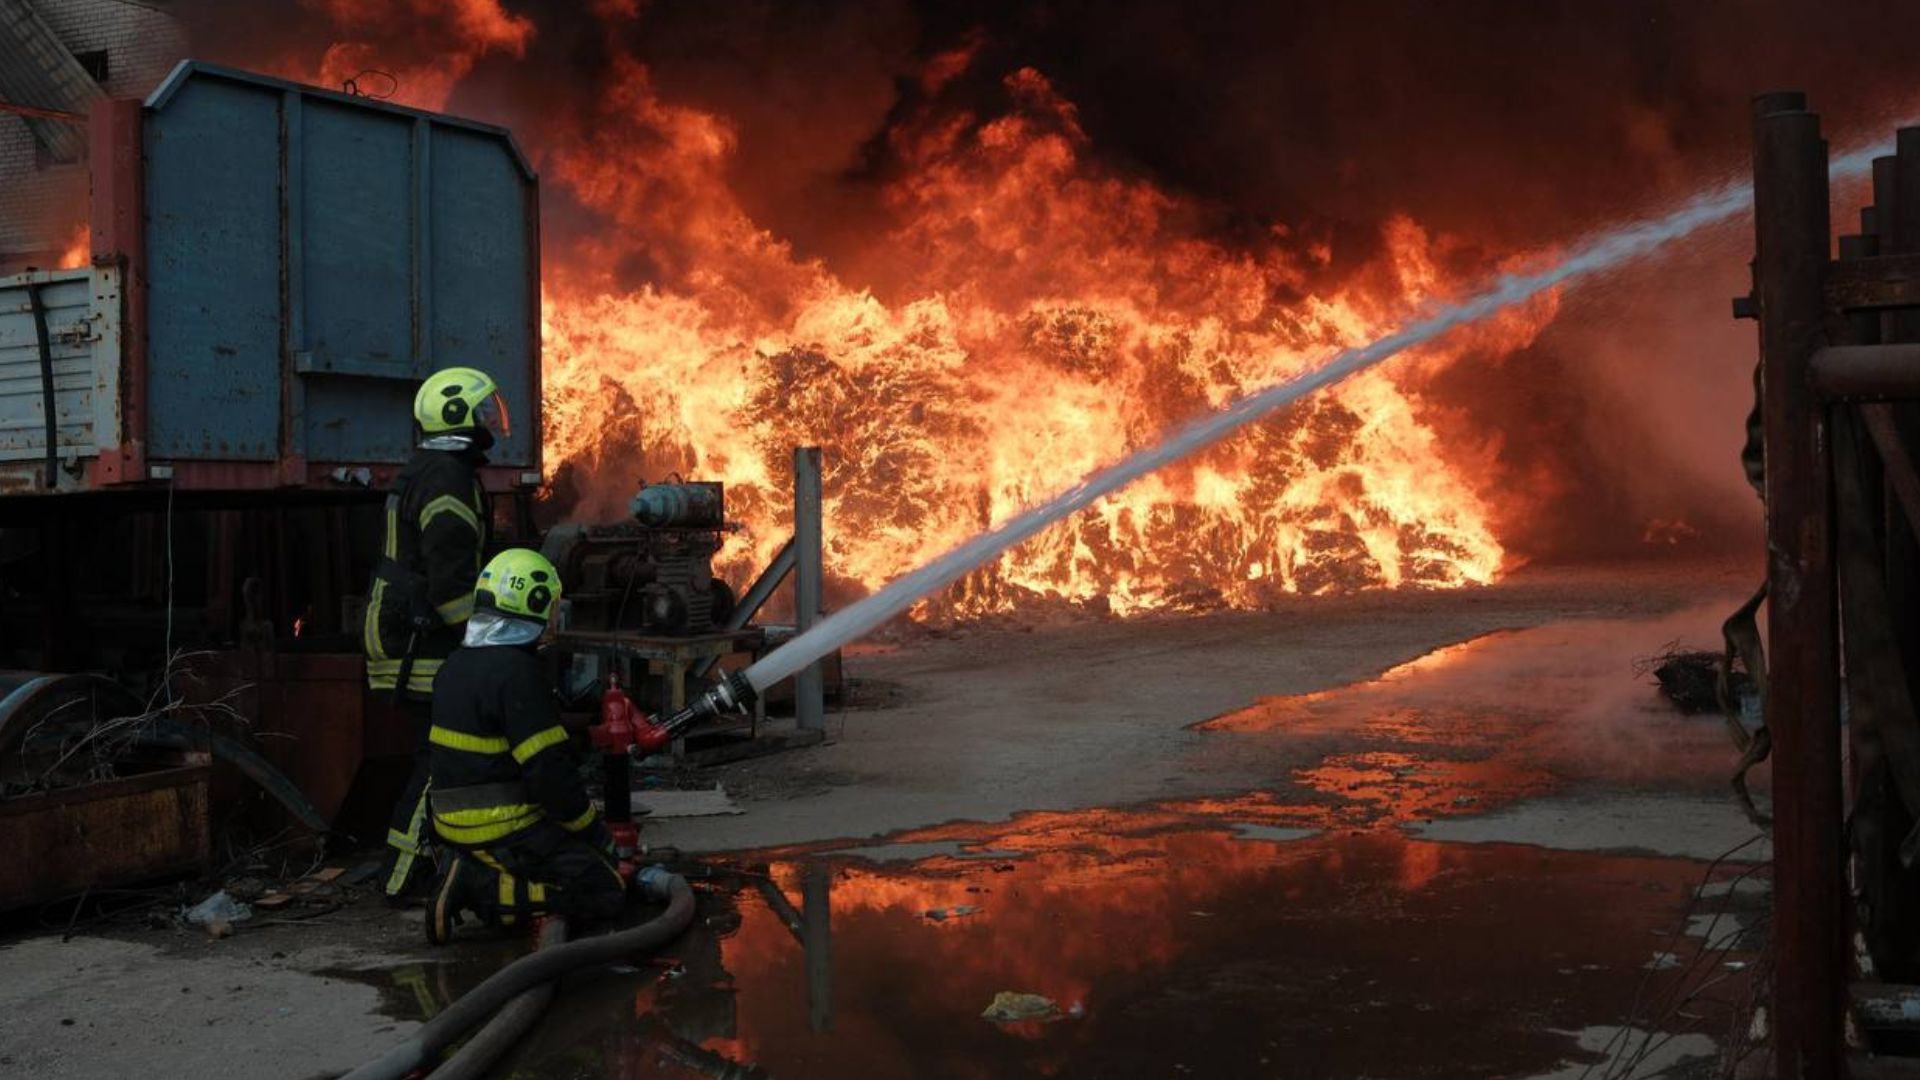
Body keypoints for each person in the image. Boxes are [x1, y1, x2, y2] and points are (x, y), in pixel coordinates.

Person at [424, 548, 627, 944]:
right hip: (502, 828)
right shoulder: (518, 674)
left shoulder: (454, 667)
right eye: (551, 606)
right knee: (606, 889)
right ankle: (475, 885)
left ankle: (475, 875)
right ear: (534, 605)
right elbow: (550, 776)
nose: (554, 616)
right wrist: (593, 832)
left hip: (450, 827)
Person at [364, 366, 509, 901]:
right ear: (459, 417)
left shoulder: (437, 469)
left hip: (411, 632)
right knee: (443, 757)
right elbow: (451, 585)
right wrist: (493, 646)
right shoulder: (447, 477)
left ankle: (445, 858)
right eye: (484, 411)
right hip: (416, 643)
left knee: (445, 753)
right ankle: (403, 877)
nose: (493, 421)